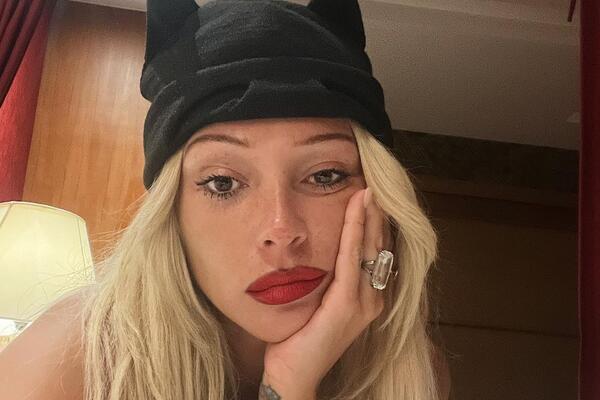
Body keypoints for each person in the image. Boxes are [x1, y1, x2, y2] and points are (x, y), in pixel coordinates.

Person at [0, 0, 450, 399]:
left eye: (324, 176)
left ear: (378, 197)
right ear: (171, 212)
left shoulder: (408, 374)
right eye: (222, 183)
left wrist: (293, 383)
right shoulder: (66, 366)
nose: (281, 230)